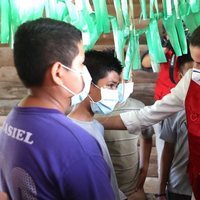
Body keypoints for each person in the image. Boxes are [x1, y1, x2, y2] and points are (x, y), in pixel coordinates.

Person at [0, 18, 115, 199]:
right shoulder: (77, 146)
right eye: (80, 63)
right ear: (58, 73)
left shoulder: (12, 122)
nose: (85, 70)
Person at [98, 25, 200, 199]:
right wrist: (98, 121)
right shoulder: (191, 79)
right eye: (195, 61)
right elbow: (148, 115)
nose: (196, 68)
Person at [68, 49, 127, 200]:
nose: (115, 93)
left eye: (116, 86)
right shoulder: (70, 133)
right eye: (111, 85)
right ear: (88, 84)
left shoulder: (96, 126)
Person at [157, 53, 193, 200]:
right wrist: (160, 191)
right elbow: (167, 152)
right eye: (190, 72)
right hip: (179, 188)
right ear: (180, 77)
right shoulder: (174, 110)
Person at [104, 98, 154, 200]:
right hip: (105, 187)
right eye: (112, 83)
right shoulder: (94, 108)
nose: (122, 84)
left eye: (127, 80)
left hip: (132, 189)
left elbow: (147, 137)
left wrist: (144, 169)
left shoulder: (138, 107)